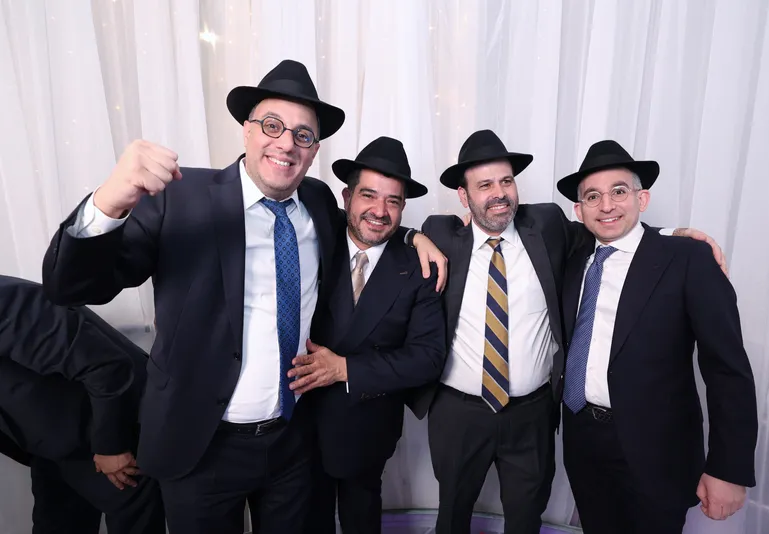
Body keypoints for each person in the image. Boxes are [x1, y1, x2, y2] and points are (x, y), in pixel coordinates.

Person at [40, 60, 445, 534]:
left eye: (303, 135)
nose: (286, 143)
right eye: (272, 125)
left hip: (293, 444)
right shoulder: (179, 198)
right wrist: (108, 203)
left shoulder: (317, 202)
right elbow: (72, 288)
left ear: (313, 151)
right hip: (201, 446)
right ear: (247, 130)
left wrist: (414, 236)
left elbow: (368, 225)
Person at [408, 129, 725, 534]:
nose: (499, 193)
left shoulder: (547, 225)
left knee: (526, 516)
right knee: (452, 514)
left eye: (506, 181)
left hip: (531, 413)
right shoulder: (439, 233)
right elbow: (386, 233)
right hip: (458, 412)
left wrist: (672, 234)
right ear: (463, 195)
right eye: (484, 185)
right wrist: (411, 235)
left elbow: (613, 229)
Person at [555, 140, 758, 533]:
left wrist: (728, 469)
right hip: (583, 441)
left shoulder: (688, 259)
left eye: (619, 191)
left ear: (642, 198)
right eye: (593, 197)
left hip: (658, 451)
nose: (607, 205)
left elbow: (727, 369)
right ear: (579, 211)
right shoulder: (572, 258)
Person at [296, 136, 446, 534]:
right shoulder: (313, 238)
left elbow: (428, 358)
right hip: (296, 424)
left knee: (361, 519)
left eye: (393, 201)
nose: (379, 211)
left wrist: (345, 369)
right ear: (346, 197)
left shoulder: (419, 268)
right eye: (368, 195)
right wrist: (413, 233)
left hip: (366, 429)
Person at [0, 275, 164, 534]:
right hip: (49, 445)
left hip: (109, 427)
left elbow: (106, 366)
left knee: (133, 523)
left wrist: (111, 446)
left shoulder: (4, 301)